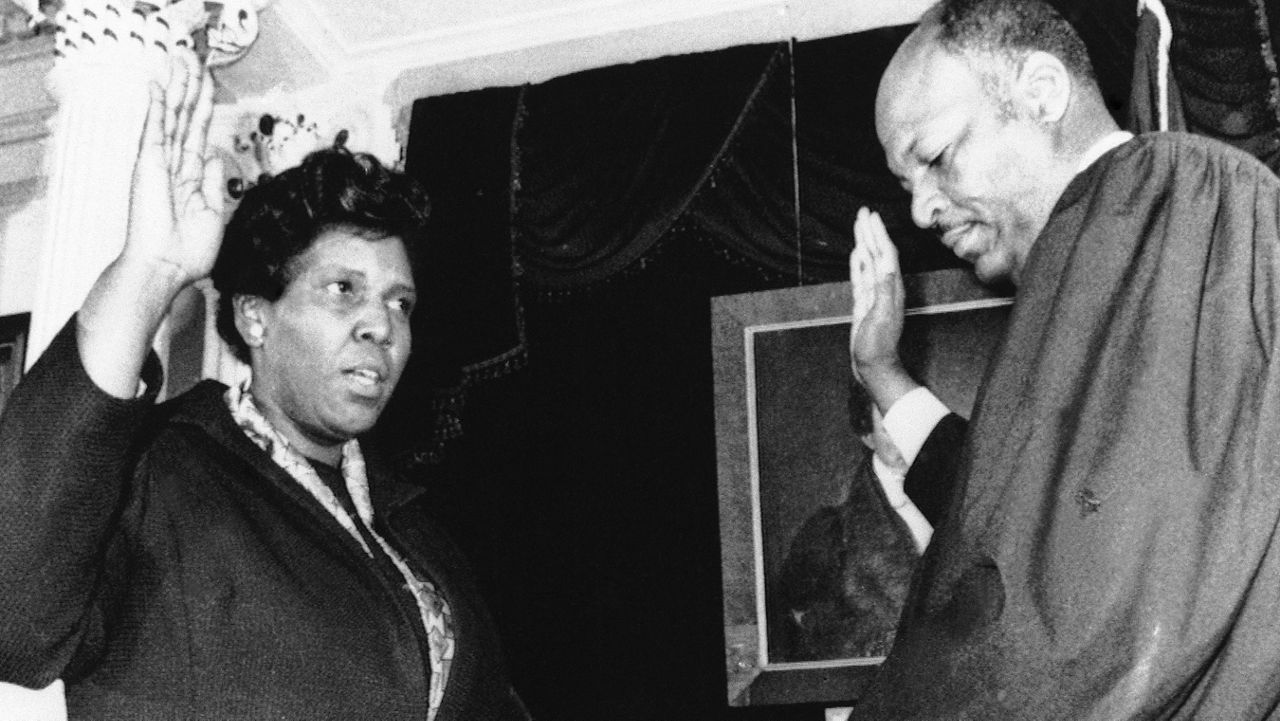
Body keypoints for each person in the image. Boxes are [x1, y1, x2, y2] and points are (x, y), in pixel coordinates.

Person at [0, 47, 529, 720]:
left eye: (401, 303)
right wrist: (149, 273)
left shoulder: (416, 532)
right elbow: (11, 617)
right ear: (256, 315)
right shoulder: (161, 473)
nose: (381, 325)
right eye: (344, 290)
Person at [844, 0, 1280, 718]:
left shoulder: (1179, 200)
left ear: (1042, 93)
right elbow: (1041, 539)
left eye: (937, 157)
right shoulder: (1108, 239)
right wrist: (883, 373)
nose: (921, 210)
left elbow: (1090, 618)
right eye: (906, 185)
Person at [774, 379, 932, 662]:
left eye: (911, 421)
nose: (906, 435)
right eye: (889, 425)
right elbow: (796, 617)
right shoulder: (831, 533)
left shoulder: (953, 498)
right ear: (867, 435)